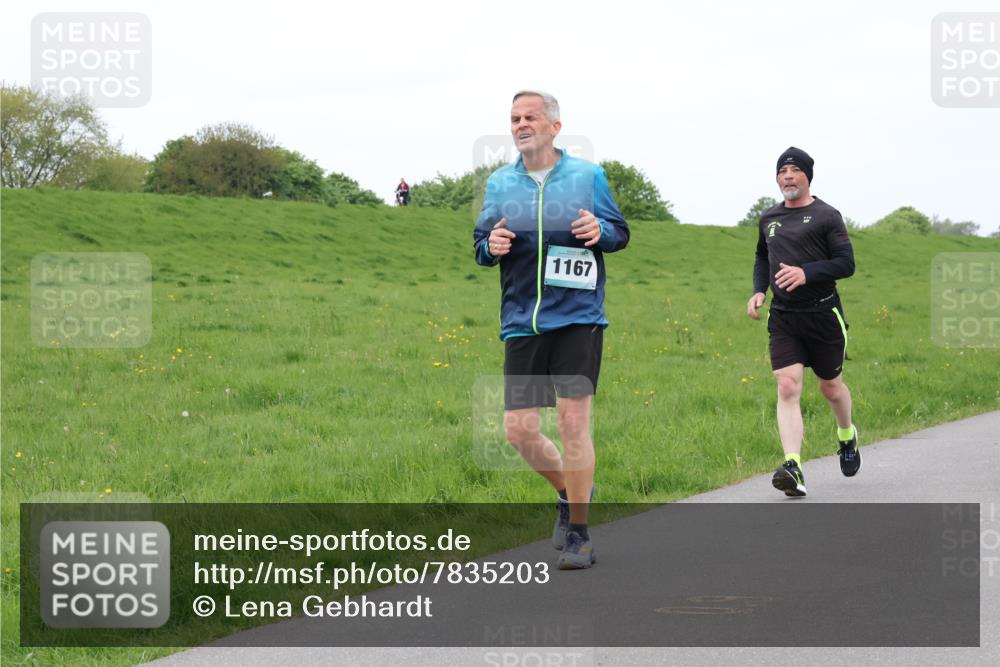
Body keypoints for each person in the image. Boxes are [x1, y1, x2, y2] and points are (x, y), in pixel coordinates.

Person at [473, 90, 629, 568]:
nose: (521, 125)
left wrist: (600, 233)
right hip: (523, 320)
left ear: (555, 126)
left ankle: (579, 534)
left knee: (572, 423)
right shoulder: (501, 183)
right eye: (515, 118)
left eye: (531, 117)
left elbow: (619, 232)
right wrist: (492, 244)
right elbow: (480, 244)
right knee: (518, 431)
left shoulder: (587, 177)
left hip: (577, 318)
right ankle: (568, 492)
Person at [747, 147, 860, 497]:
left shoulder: (827, 216)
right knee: (787, 385)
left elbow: (846, 264)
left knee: (831, 388)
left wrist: (806, 273)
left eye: (795, 170)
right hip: (784, 317)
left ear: (808, 176)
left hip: (824, 315)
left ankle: (847, 436)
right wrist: (759, 291)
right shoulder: (769, 218)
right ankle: (793, 466)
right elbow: (762, 257)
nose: (788, 176)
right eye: (782, 171)